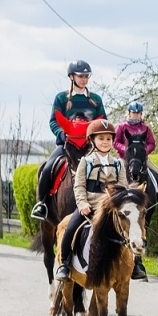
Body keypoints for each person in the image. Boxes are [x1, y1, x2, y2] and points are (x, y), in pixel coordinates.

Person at [32, 60, 106, 221]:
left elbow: (102, 123)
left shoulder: (96, 100)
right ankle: (42, 204)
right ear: (72, 77)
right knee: (47, 168)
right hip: (67, 145)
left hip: (89, 147)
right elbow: (54, 121)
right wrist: (61, 134)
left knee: (109, 168)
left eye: (86, 76)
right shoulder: (61, 98)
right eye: (81, 76)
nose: (84, 79)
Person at [55, 119, 126, 282]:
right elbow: (79, 185)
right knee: (70, 229)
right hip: (90, 208)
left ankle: (135, 264)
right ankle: (65, 263)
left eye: (108, 139)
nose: (105, 142)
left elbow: (123, 187)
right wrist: (82, 204)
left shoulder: (118, 164)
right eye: (101, 138)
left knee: (130, 229)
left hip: (111, 211)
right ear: (92, 140)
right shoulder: (85, 162)